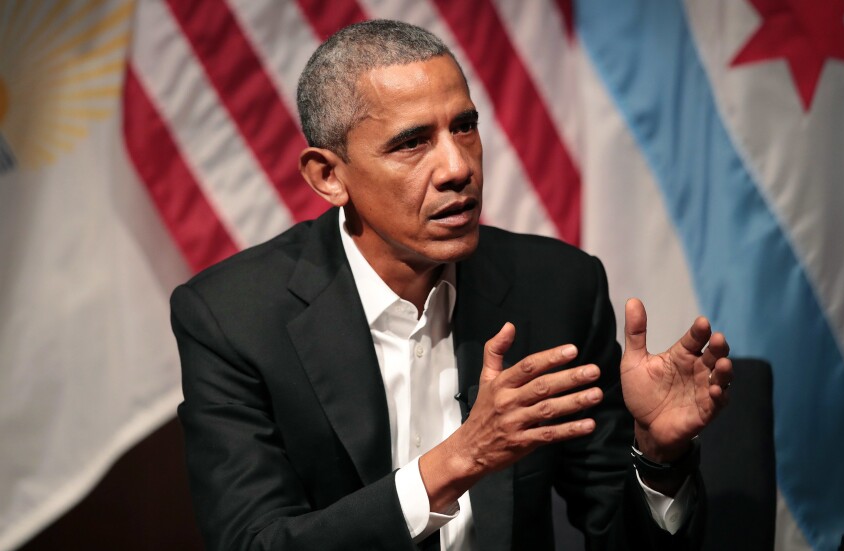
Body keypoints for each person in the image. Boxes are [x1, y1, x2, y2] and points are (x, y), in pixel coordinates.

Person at [171, 19, 733, 551]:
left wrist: (659, 456)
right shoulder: (232, 317)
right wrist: (459, 459)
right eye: (412, 142)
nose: (457, 167)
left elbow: (617, 535)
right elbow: (256, 542)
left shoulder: (557, 287)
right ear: (329, 176)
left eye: (464, 127)